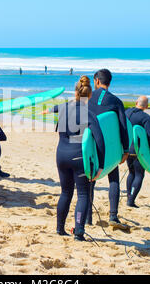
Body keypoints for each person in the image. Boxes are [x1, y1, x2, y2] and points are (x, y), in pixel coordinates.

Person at [43, 76, 105, 241]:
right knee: (83, 194)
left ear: (75, 92)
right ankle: (78, 231)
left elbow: (56, 108)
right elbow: (100, 140)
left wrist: (48, 110)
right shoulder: (89, 114)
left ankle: (59, 228)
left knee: (65, 192)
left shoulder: (64, 108)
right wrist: (101, 166)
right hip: (79, 157)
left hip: (61, 155)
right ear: (90, 96)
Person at [88, 69, 129, 230]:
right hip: (110, 147)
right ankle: (113, 215)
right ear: (109, 82)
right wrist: (125, 149)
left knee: (90, 179)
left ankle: (88, 218)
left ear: (96, 81)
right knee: (113, 178)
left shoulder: (87, 98)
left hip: (91, 144)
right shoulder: (116, 101)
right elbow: (123, 127)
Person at [126, 96, 150, 208]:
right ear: (146, 106)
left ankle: (129, 196)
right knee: (139, 174)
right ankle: (131, 200)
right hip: (138, 150)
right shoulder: (145, 117)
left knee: (131, 173)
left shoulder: (127, 112)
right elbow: (149, 135)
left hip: (127, 148)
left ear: (136, 102)